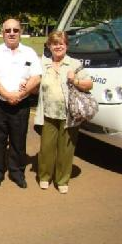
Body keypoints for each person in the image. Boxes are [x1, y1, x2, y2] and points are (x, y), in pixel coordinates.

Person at [34, 31, 93, 194]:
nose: (58, 46)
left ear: (66, 46)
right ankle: (45, 176)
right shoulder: (43, 63)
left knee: (66, 150)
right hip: (48, 113)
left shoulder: (74, 64)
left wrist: (75, 80)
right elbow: (35, 81)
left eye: (61, 43)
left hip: (69, 115)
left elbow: (89, 84)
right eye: (54, 43)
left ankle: (62, 179)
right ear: (49, 46)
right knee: (46, 148)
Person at [0, 19, 42, 189]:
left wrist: (20, 94)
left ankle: (17, 172)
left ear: (20, 32)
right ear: (3, 33)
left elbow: (36, 76)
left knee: (19, 140)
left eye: (15, 30)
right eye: (8, 30)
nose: (12, 33)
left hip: (21, 104)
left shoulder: (29, 52)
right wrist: (7, 95)